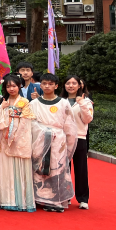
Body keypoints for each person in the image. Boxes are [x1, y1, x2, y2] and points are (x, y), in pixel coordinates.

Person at [29, 73, 78, 212]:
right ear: (40, 85)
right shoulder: (34, 103)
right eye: (44, 83)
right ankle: (39, 198)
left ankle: (57, 201)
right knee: (39, 169)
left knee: (57, 169)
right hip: (40, 140)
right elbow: (31, 123)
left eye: (51, 84)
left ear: (56, 86)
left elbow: (70, 125)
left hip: (58, 142)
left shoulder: (63, 103)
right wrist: (43, 131)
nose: (47, 86)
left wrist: (68, 144)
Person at [0, 74, 36, 212]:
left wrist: (15, 134)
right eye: (8, 86)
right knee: (5, 168)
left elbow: (27, 121)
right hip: (4, 138)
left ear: (19, 86)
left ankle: (22, 201)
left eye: (14, 86)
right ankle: (6, 199)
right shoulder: (3, 102)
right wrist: (2, 109)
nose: (11, 88)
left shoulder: (25, 102)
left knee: (19, 168)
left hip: (19, 138)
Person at [62, 75, 94, 209]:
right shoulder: (60, 101)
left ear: (79, 85)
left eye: (74, 83)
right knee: (64, 169)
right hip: (62, 139)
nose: (71, 85)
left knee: (81, 169)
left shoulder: (86, 102)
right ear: (64, 85)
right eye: (68, 83)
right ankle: (65, 196)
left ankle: (83, 198)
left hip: (79, 138)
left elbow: (87, 120)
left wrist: (81, 103)